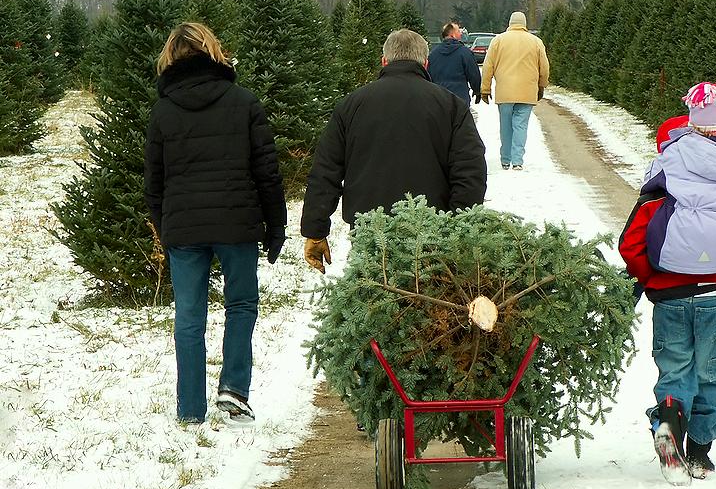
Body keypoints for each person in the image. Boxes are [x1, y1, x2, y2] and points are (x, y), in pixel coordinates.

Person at [618, 82, 716, 485]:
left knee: (675, 369)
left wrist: (652, 279)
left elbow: (631, 244)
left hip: (670, 297)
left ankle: (667, 426)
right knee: (709, 373)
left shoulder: (664, 179)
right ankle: (700, 455)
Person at [144, 22, 287, 426]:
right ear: (213, 51)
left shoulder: (164, 111)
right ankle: (234, 391)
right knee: (240, 305)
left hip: (184, 230)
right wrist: (275, 226)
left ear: (170, 57)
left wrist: (165, 225)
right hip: (236, 225)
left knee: (189, 316)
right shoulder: (243, 102)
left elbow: (153, 183)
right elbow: (267, 172)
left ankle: (190, 409)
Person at [300, 29, 487, 273]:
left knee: (368, 302)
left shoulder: (352, 105)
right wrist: (456, 227)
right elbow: (470, 173)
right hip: (431, 235)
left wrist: (315, 231)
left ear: (384, 61)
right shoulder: (451, 106)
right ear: (426, 63)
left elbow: (326, 171)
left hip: (369, 232)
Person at [647, 113, 716, 333]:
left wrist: (652, 276)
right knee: (709, 363)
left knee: (674, 364)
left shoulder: (656, 197)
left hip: (669, 291)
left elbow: (632, 246)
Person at [479, 11, 549, 171]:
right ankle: (517, 160)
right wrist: (541, 85)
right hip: (527, 91)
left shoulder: (498, 41)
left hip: (505, 92)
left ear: (510, 23)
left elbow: (488, 65)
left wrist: (485, 89)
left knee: (505, 126)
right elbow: (544, 68)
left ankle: (505, 159)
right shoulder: (536, 42)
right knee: (521, 126)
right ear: (524, 24)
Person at [427, 21, 481, 104]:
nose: (461, 34)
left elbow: (428, 76)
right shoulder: (465, 53)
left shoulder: (433, 54)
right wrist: (477, 90)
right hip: (460, 97)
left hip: (439, 97)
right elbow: (474, 74)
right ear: (452, 35)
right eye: (458, 31)